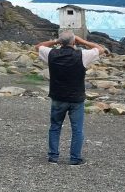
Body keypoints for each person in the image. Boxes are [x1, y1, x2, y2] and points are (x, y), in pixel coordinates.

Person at [36, 30, 109, 165]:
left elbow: (38, 46)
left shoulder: (51, 54)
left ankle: (53, 156)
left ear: (60, 42)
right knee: (77, 129)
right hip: (76, 98)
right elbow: (101, 49)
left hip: (58, 96)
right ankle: (75, 158)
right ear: (74, 41)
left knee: (55, 126)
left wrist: (56, 41)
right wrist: (82, 41)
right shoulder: (82, 55)